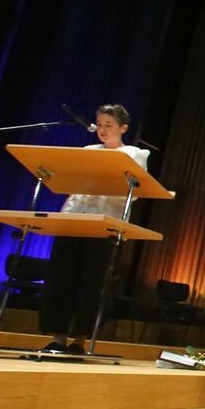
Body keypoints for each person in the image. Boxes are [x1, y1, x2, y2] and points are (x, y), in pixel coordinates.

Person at [39, 104, 150, 354]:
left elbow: (134, 192)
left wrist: (103, 182)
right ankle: (58, 338)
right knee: (62, 277)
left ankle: (79, 340)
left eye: (109, 125)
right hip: (74, 219)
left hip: (104, 224)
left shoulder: (134, 154)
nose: (102, 130)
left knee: (92, 283)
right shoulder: (89, 150)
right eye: (99, 124)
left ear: (123, 128)